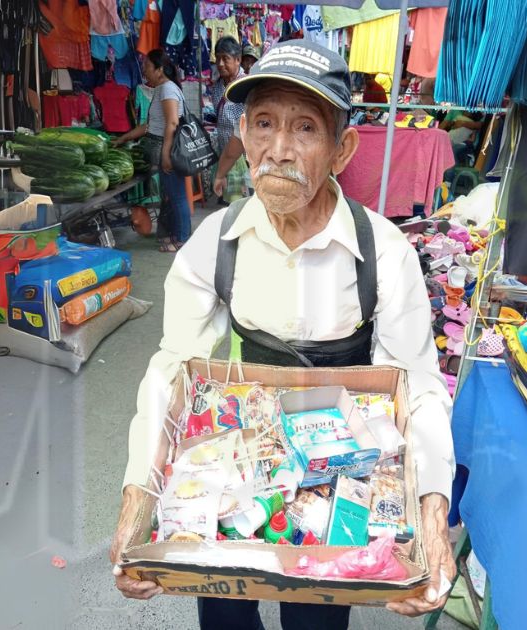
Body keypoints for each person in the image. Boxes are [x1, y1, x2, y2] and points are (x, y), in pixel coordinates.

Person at [111, 41, 456, 630]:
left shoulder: (384, 254)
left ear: (342, 149)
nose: (279, 150)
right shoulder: (213, 244)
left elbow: (418, 385)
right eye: (265, 124)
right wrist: (138, 498)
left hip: (336, 476)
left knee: (317, 622)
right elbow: (172, 369)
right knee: (222, 612)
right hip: (234, 459)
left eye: (305, 129)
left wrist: (431, 511)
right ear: (242, 133)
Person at [113, 49, 191, 253]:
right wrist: (124, 138)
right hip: (164, 148)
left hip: (170, 150)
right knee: (172, 196)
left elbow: (172, 122)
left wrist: (165, 154)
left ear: (159, 69)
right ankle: (174, 235)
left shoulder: (167, 90)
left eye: (147, 66)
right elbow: (149, 125)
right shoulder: (162, 89)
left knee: (178, 196)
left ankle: (182, 240)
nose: (144, 71)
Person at [208, 38, 251, 203]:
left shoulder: (246, 85)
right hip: (224, 149)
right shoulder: (218, 85)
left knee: (240, 201)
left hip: (242, 153)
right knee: (226, 199)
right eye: (218, 58)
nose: (220, 64)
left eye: (225, 59)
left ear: (237, 59)